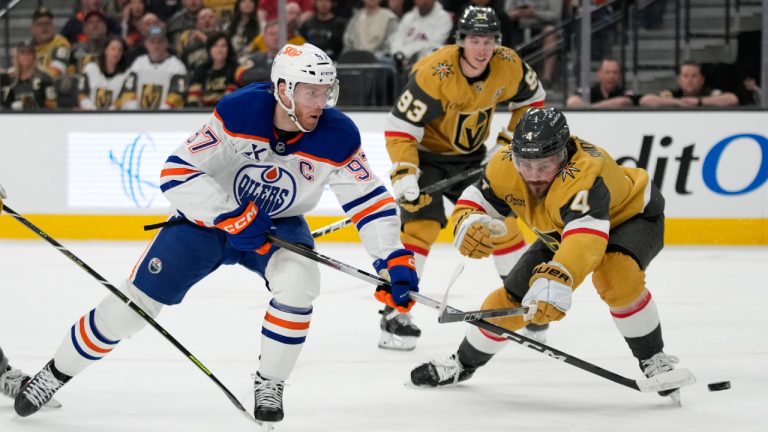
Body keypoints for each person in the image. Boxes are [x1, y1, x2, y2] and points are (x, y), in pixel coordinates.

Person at [14, 43, 419, 425]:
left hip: (275, 226)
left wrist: (393, 260)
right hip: (205, 224)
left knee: (299, 287)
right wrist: (232, 215)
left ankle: (270, 384)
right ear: (283, 89)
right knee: (130, 308)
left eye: (326, 91)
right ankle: (55, 373)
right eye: (311, 92)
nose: (321, 103)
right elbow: (177, 173)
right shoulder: (240, 111)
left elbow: (369, 201)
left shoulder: (339, 135)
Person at [410, 107, 687, 402]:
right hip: (563, 230)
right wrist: (469, 222)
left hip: (631, 217)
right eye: (525, 164)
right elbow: (476, 198)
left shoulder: (587, 173)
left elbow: (585, 241)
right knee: (509, 300)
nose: (533, 175)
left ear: (564, 153)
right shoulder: (504, 163)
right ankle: (462, 364)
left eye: (544, 165)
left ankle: (654, 358)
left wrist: (557, 278)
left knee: (615, 275)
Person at [381, 6, 546, 351]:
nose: (482, 48)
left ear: (497, 42)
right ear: (461, 41)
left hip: (472, 159)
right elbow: (400, 128)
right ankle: (394, 314)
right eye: (474, 40)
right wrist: (405, 173)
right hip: (427, 157)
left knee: (503, 226)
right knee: (420, 229)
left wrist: (508, 143)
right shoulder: (435, 71)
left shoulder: (509, 64)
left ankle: (519, 305)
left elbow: (533, 100)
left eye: (488, 40)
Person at [639, 61, 739, 108]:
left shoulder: (710, 93)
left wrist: (699, 102)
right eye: (686, 76)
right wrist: (678, 102)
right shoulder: (673, 94)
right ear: (679, 80)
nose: (690, 80)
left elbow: (732, 99)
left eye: (694, 76)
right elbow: (646, 100)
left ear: (702, 80)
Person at [78, 35, 130, 110]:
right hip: (90, 113)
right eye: (113, 49)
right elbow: (82, 94)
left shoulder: (126, 74)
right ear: (105, 50)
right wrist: (93, 110)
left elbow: (123, 97)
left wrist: (109, 111)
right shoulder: (91, 68)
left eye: (120, 50)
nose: (116, 53)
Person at [566, 58, 639, 108]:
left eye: (615, 72)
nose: (612, 76)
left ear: (620, 75)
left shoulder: (625, 93)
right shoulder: (589, 92)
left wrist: (590, 108)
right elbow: (572, 102)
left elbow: (623, 102)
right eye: (607, 72)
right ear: (599, 74)